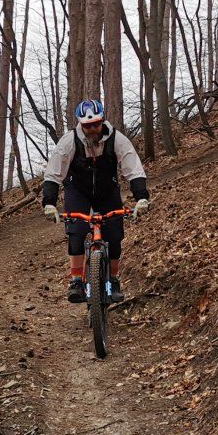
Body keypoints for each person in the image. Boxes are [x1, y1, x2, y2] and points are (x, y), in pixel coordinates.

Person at [41, 98, 150, 304]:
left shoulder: (117, 139)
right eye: (87, 125)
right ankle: (76, 281)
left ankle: (114, 280)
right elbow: (53, 173)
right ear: (81, 124)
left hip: (107, 191)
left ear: (102, 121)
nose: (92, 129)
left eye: (96, 124)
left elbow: (134, 169)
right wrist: (49, 202)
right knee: (76, 232)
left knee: (115, 235)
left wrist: (142, 198)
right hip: (77, 190)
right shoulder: (69, 141)